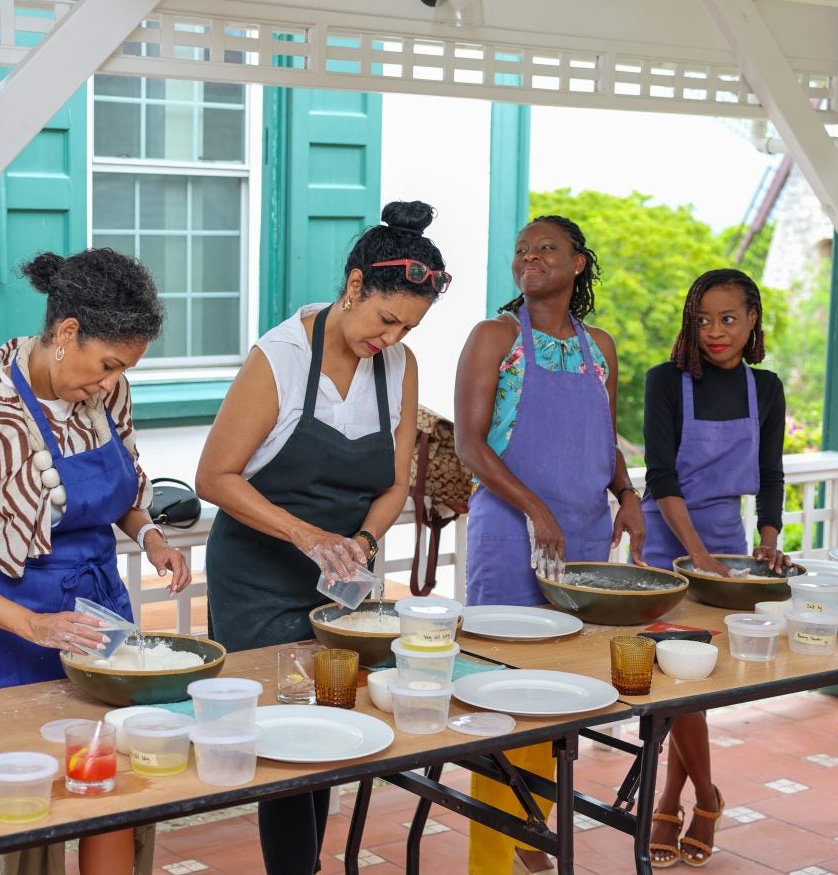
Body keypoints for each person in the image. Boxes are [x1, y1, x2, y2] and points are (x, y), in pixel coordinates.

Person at [0, 247, 191, 875]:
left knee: (111, 786)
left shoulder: (106, 395)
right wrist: (36, 625)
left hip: (100, 621)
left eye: (124, 369)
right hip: (16, 632)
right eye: (108, 364)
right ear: (67, 334)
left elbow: (123, 491)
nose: (112, 381)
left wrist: (149, 536)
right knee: (26, 810)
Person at [197, 200, 447, 874]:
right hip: (257, 573)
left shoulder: (399, 365)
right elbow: (214, 478)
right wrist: (307, 536)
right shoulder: (278, 358)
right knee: (286, 743)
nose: (391, 339)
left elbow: (396, 483)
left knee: (331, 726)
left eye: (409, 328)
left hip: (338, 578)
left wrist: (362, 543)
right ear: (355, 286)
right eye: (386, 319)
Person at [453, 215, 645, 874]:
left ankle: (533, 837)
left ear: (579, 262)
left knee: (563, 697)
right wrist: (535, 508)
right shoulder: (495, 338)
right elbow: (468, 445)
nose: (528, 258)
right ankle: (491, 858)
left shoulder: (601, 349)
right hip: (511, 537)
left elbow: (607, 439)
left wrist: (629, 495)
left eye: (546, 248)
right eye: (520, 250)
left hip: (586, 543)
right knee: (504, 699)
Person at [642, 268, 786, 868]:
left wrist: (769, 541)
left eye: (728, 319)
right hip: (664, 547)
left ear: (753, 319)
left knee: (692, 687)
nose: (714, 332)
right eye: (702, 320)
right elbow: (662, 477)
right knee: (678, 685)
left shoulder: (767, 387)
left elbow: (771, 473)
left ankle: (670, 800)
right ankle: (701, 798)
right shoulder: (666, 382)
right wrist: (694, 556)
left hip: (726, 550)